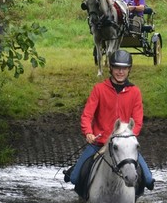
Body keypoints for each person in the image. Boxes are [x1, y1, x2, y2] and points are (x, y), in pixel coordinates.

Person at [63, 49, 154, 192]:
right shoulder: (99, 89)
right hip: (99, 143)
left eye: (124, 68)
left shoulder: (135, 92)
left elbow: (138, 120)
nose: (120, 72)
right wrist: (88, 133)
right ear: (110, 68)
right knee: (74, 178)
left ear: (129, 70)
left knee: (148, 180)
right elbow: (87, 115)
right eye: (117, 68)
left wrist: (127, 138)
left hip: (123, 146)